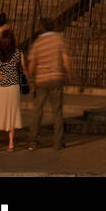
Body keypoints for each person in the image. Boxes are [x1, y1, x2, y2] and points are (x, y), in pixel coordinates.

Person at [27, 19, 71, 151]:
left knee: (37, 111)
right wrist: (68, 74)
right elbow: (65, 58)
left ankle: (33, 142)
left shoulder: (38, 42)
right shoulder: (58, 39)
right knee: (57, 111)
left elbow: (32, 63)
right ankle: (58, 143)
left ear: (42, 29)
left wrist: (31, 79)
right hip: (56, 77)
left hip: (41, 80)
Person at [0, 26, 24, 151]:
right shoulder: (18, 52)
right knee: (11, 113)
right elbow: (23, 68)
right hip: (13, 86)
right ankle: (11, 143)